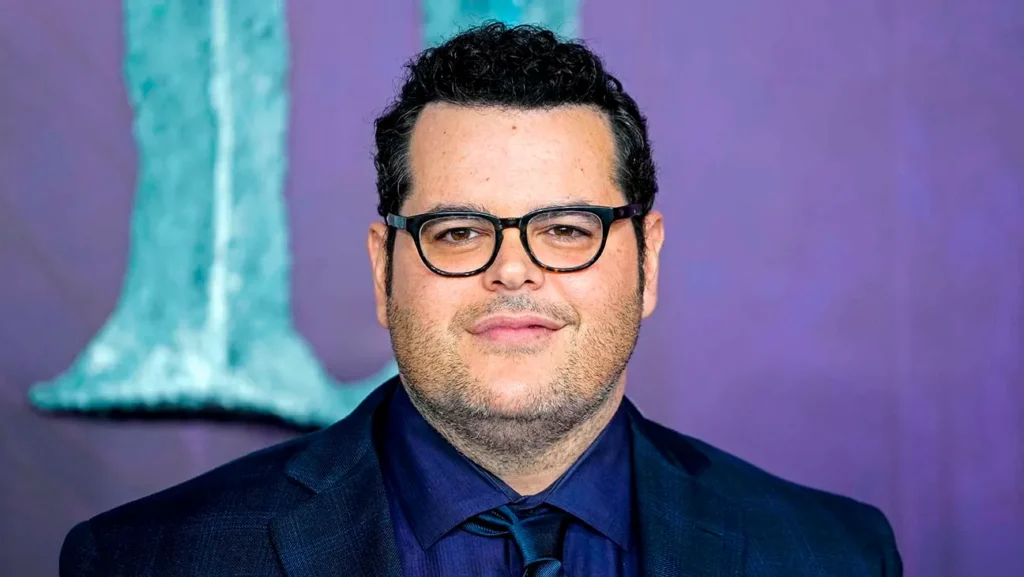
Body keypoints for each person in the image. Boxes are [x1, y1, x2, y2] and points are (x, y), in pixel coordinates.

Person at [60, 23, 903, 577]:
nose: (513, 270)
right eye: (460, 231)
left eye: (566, 228)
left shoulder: (833, 555)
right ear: (384, 268)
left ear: (647, 262)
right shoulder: (145, 559)